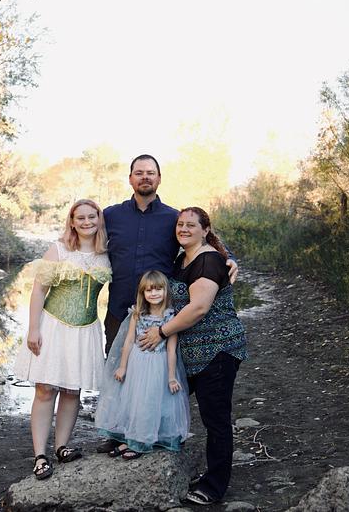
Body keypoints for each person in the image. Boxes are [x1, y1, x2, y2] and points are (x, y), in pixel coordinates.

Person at [97, 154, 237, 454]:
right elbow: (82, 235)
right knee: (121, 370)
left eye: (150, 172)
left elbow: (202, 237)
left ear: (159, 178)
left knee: (155, 374)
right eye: (139, 172)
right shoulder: (110, 216)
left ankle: (153, 432)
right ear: (130, 178)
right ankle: (120, 432)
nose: (145, 177)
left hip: (161, 314)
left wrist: (229, 259)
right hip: (120, 309)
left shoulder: (173, 218)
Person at [140, 207, 247, 506]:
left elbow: (198, 308)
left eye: (191, 225)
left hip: (218, 349)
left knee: (215, 419)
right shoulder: (182, 259)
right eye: (180, 224)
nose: (184, 229)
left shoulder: (208, 260)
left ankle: (214, 487)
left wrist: (161, 332)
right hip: (191, 352)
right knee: (167, 398)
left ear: (205, 229)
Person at [13, 199, 112, 480]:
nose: (86, 222)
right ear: (72, 221)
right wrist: (33, 329)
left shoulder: (106, 253)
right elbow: (38, 290)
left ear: (99, 219)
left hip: (86, 329)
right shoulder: (58, 249)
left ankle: (61, 447)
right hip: (54, 326)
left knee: (72, 390)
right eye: (80, 218)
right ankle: (40, 455)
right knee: (46, 389)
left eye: (91, 217)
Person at [95, 270, 190, 459]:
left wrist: (172, 377)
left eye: (158, 289)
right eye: (149, 290)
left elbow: (171, 349)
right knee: (134, 402)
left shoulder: (170, 318)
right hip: (136, 364)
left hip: (158, 366)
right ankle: (129, 439)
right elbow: (129, 341)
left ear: (166, 291)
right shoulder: (137, 314)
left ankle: (142, 442)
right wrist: (123, 366)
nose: (154, 293)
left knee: (149, 402)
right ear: (142, 293)